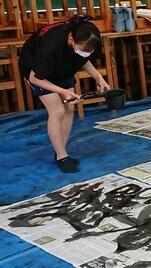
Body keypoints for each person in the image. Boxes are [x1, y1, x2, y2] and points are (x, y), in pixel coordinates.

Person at [19, 16, 108, 173]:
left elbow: (83, 58)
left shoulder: (84, 42)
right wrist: (62, 91)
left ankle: (61, 151)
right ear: (72, 39)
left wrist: (98, 77)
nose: (87, 53)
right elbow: (35, 77)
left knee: (69, 108)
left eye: (89, 51)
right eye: (83, 49)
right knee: (57, 110)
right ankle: (62, 156)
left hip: (62, 66)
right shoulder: (51, 46)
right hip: (36, 69)